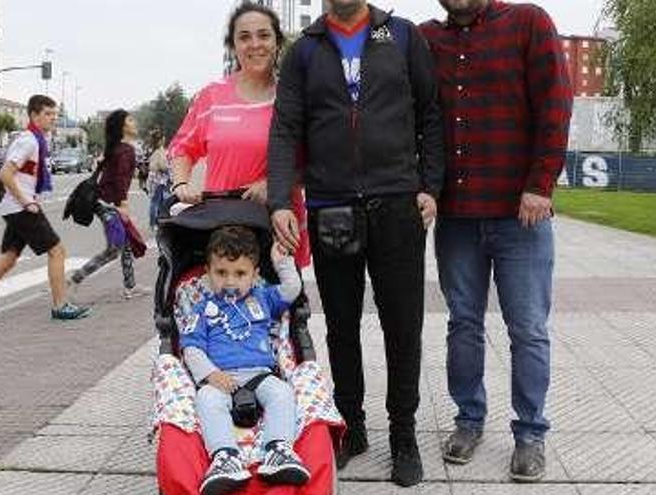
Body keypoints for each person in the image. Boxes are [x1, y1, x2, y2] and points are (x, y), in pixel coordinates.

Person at [268, 0, 445, 487]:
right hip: (332, 208)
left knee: (402, 327)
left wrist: (430, 186)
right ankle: (352, 427)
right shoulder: (305, 50)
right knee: (341, 327)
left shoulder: (403, 36)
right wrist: (280, 199)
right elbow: (285, 128)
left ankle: (403, 436)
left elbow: (430, 115)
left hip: (396, 205)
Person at [419, 0, 573, 482]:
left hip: (520, 214)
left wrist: (540, 185)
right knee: (462, 324)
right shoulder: (427, 39)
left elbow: (556, 103)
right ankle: (469, 420)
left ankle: (530, 434)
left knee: (527, 327)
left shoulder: (528, 22)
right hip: (457, 216)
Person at [168, 2, 310, 267]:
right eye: (244, 37)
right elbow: (181, 148)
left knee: (280, 305)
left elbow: (314, 160)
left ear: (278, 42)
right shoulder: (211, 96)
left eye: (264, 35)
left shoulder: (294, 97)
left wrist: (276, 184)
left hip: (277, 232)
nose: (255, 44)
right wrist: (181, 184)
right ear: (233, 46)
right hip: (223, 229)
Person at [180, 226, 310, 495]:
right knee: (206, 399)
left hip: (260, 375)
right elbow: (190, 347)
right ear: (208, 272)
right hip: (221, 379)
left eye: (240, 274)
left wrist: (281, 261)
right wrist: (210, 375)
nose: (230, 281)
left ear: (255, 275)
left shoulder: (263, 297)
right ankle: (225, 457)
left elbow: (292, 288)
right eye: (221, 273)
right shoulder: (202, 308)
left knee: (283, 393)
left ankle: (277, 449)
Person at [0, 95, 90, 331]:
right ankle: (60, 305)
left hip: (15, 206)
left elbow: (21, 175)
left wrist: (29, 198)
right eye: (48, 114)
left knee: (8, 258)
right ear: (34, 115)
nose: (52, 119)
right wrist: (27, 201)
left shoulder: (35, 140)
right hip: (19, 207)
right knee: (57, 251)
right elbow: (5, 174)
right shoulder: (29, 140)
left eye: (54, 114)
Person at [68, 110, 146, 299]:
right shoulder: (125, 150)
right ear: (123, 127)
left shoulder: (117, 148)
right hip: (109, 205)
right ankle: (76, 278)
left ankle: (130, 286)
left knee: (126, 244)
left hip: (104, 203)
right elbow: (120, 180)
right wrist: (123, 206)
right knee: (115, 248)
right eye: (130, 120)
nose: (134, 123)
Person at [146, 130, 171, 230]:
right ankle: (154, 223)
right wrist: (169, 167)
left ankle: (157, 222)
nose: (164, 140)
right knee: (156, 202)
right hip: (158, 179)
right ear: (160, 140)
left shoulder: (152, 150)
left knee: (157, 201)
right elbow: (163, 166)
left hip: (154, 178)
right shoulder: (160, 151)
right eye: (163, 138)